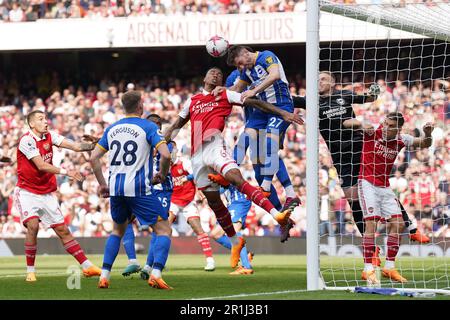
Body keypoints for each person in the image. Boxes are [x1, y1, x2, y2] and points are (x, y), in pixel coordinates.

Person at [164, 67, 303, 269]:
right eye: (211, 72)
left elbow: (254, 102)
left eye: (219, 74)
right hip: (196, 155)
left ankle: (277, 215)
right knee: (214, 203)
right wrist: (160, 143)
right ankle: (235, 243)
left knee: (237, 178)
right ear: (203, 77)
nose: (215, 74)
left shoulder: (225, 94)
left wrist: (282, 112)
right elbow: (177, 124)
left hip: (214, 146)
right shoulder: (192, 100)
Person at [293, 72, 430, 245]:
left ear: (332, 82)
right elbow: (289, 99)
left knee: (380, 185)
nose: (319, 82)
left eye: (323, 79)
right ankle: (370, 247)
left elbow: (368, 98)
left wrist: (373, 93)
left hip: (360, 146)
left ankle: (411, 229)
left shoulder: (344, 95)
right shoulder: (311, 100)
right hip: (340, 154)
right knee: (352, 198)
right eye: (317, 79)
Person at [90, 90, 173, 289]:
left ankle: (104, 276)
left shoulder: (112, 129)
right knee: (164, 229)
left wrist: (103, 184)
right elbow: (166, 155)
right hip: (138, 188)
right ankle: (155, 273)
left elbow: (93, 158)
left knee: (117, 231)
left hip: (116, 188)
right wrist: (162, 174)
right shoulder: (148, 126)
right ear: (140, 106)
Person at [342, 112, 434, 284]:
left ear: (398, 129)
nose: (385, 128)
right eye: (385, 123)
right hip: (367, 183)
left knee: (398, 224)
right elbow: (346, 123)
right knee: (371, 224)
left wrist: (428, 134)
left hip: (384, 186)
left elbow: (424, 143)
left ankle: (389, 267)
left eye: (391, 126)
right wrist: (361, 123)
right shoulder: (372, 131)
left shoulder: (402, 139)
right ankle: (368, 270)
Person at [14, 110, 101, 282]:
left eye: (45, 118)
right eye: (41, 119)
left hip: (46, 192)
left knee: (62, 230)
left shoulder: (50, 136)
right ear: (31, 124)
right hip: (27, 192)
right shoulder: (26, 140)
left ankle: (87, 267)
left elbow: (76, 146)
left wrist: (97, 144)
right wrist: (67, 172)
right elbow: (40, 165)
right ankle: (30, 271)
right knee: (33, 226)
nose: (46, 122)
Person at [217, 46, 302, 211]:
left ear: (245, 53)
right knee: (243, 141)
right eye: (238, 66)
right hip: (262, 112)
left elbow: (275, 75)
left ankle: (267, 187)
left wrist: (254, 90)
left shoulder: (266, 56)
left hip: (280, 106)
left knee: (268, 146)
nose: (240, 68)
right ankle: (229, 176)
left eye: (240, 63)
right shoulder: (244, 71)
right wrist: (223, 91)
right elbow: (237, 89)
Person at [210, 182, 254, 275]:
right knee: (215, 234)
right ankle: (245, 254)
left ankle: (246, 267)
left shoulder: (224, 170)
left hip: (239, 201)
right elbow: (221, 189)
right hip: (231, 204)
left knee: (234, 231)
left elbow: (223, 185)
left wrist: (188, 177)